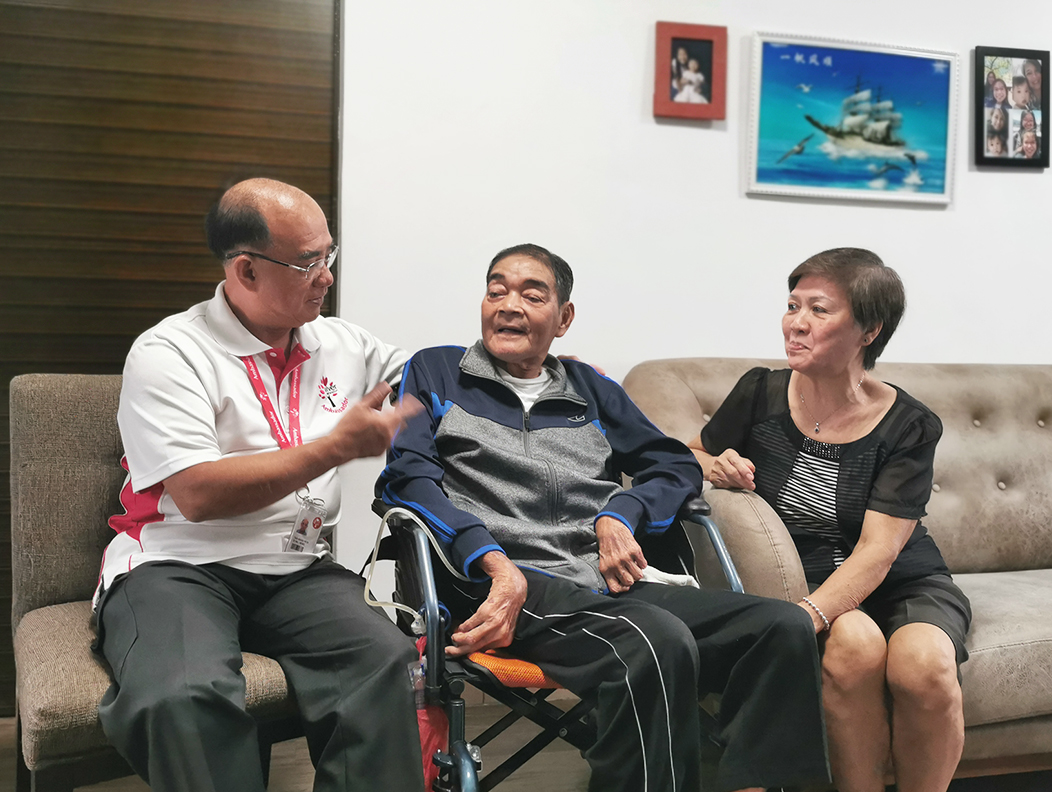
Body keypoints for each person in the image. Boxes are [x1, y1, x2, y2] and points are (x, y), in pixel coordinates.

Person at [378, 243, 830, 792]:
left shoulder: (589, 388)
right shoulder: (438, 371)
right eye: (496, 290)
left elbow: (672, 463)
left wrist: (622, 513)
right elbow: (408, 479)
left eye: (531, 294)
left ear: (564, 318)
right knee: (653, 639)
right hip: (500, 583)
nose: (508, 305)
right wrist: (490, 557)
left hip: (604, 582)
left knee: (780, 627)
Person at [94, 178, 426, 791]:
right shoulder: (170, 351)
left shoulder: (341, 341)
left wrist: (526, 370)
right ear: (245, 270)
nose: (326, 275)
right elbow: (197, 494)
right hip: (179, 562)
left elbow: (428, 381)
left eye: (330, 254)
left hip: (298, 565)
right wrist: (332, 449)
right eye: (308, 263)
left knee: (384, 661)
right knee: (180, 696)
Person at [689, 248, 972, 792]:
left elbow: (879, 552)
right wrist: (712, 462)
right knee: (855, 647)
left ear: (869, 330)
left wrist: (803, 619)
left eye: (818, 310)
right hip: (805, 575)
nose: (796, 322)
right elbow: (689, 453)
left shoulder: (909, 425)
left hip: (902, 579)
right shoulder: (759, 393)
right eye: (792, 305)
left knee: (924, 665)